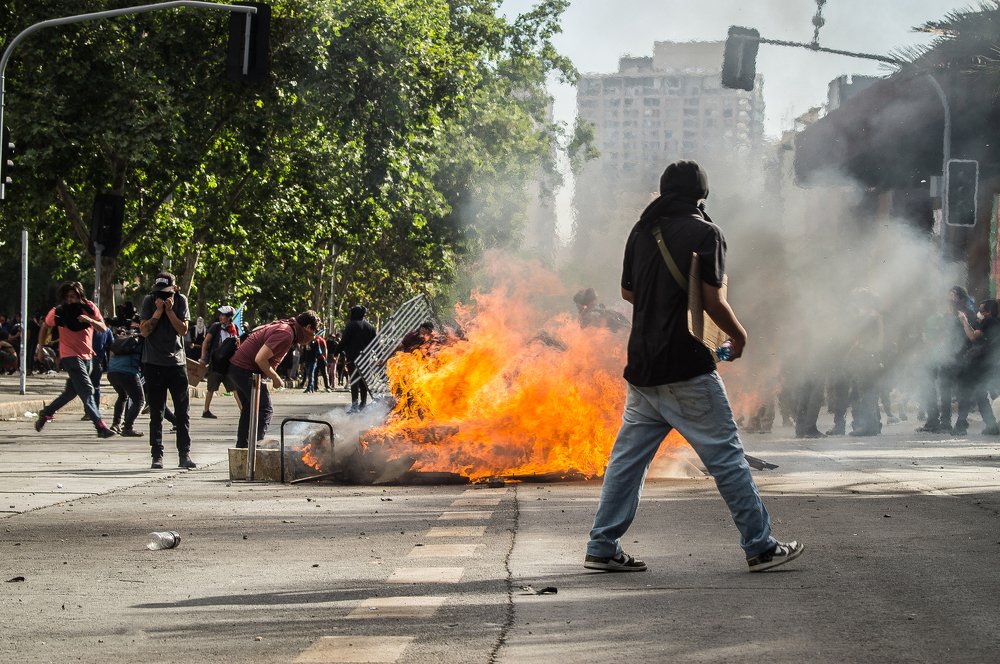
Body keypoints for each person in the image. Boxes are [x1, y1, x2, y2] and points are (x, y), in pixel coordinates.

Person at [585, 160, 803, 573]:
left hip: (644, 368)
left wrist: (662, 300)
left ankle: (601, 546)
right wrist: (739, 336)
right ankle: (760, 546)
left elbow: (628, 293)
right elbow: (713, 300)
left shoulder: (641, 231)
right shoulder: (706, 233)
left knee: (627, 464)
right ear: (701, 195)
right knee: (727, 458)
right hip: (686, 367)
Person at [33, 281, 115, 438]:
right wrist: (40, 348)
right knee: (88, 389)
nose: (70, 300)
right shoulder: (59, 311)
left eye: (73, 296)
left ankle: (46, 412)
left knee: (71, 393)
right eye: (67, 297)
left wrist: (89, 320)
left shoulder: (89, 308)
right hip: (69, 356)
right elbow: (45, 326)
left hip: (87, 357)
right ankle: (100, 426)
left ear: (80, 296)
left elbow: (103, 328)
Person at [228, 311, 318, 449]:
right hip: (245, 370)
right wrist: (275, 378)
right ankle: (257, 447)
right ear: (309, 328)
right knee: (265, 409)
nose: (313, 337)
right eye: (314, 333)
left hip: (238, 368)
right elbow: (260, 359)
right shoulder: (286, 333)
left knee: (249, 409)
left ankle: (243, 448)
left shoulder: (287, 328)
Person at [139, 272, 195, 469]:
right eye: (159, 293)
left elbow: (183, 330)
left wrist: (170, 311)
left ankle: (184, 454)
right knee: (157, 412)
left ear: (174, 289)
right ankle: (157, 455)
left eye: (166, 293)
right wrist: (157, 312)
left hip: (176, 363)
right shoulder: (149, 301)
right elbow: (144, 331)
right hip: (153, 363)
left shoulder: (181, 300)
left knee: (182, 412)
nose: (162, 297)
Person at [199, 305, 241, 418]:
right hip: (216, 364)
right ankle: (206, 411)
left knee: (235, 388)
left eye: (223, 315)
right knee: (211, 388)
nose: (221, 317)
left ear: (230, 317)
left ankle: (243, 411)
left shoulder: (235, 329)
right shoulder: (216, 327)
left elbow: (238, 346)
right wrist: (203, 357)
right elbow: (205, 342)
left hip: (229, 364)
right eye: (221, 315)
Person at [107, 319, 145, 437]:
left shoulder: (125, 339)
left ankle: (116, 424)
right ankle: (127, 428)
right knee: (139, 400)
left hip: (112, 371)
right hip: (127, 372)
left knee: (123, 396)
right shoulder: (143, 341)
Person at [336, 305, 377, 413]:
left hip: (353, 358)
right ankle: (363, 404)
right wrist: (378, 355)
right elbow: (375, 343)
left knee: (354, 380)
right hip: (365, 359)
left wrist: (336, 352)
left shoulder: (351, 325)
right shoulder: (370, 327)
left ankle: (354, 406)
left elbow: (344, 341)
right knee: (363, 381)